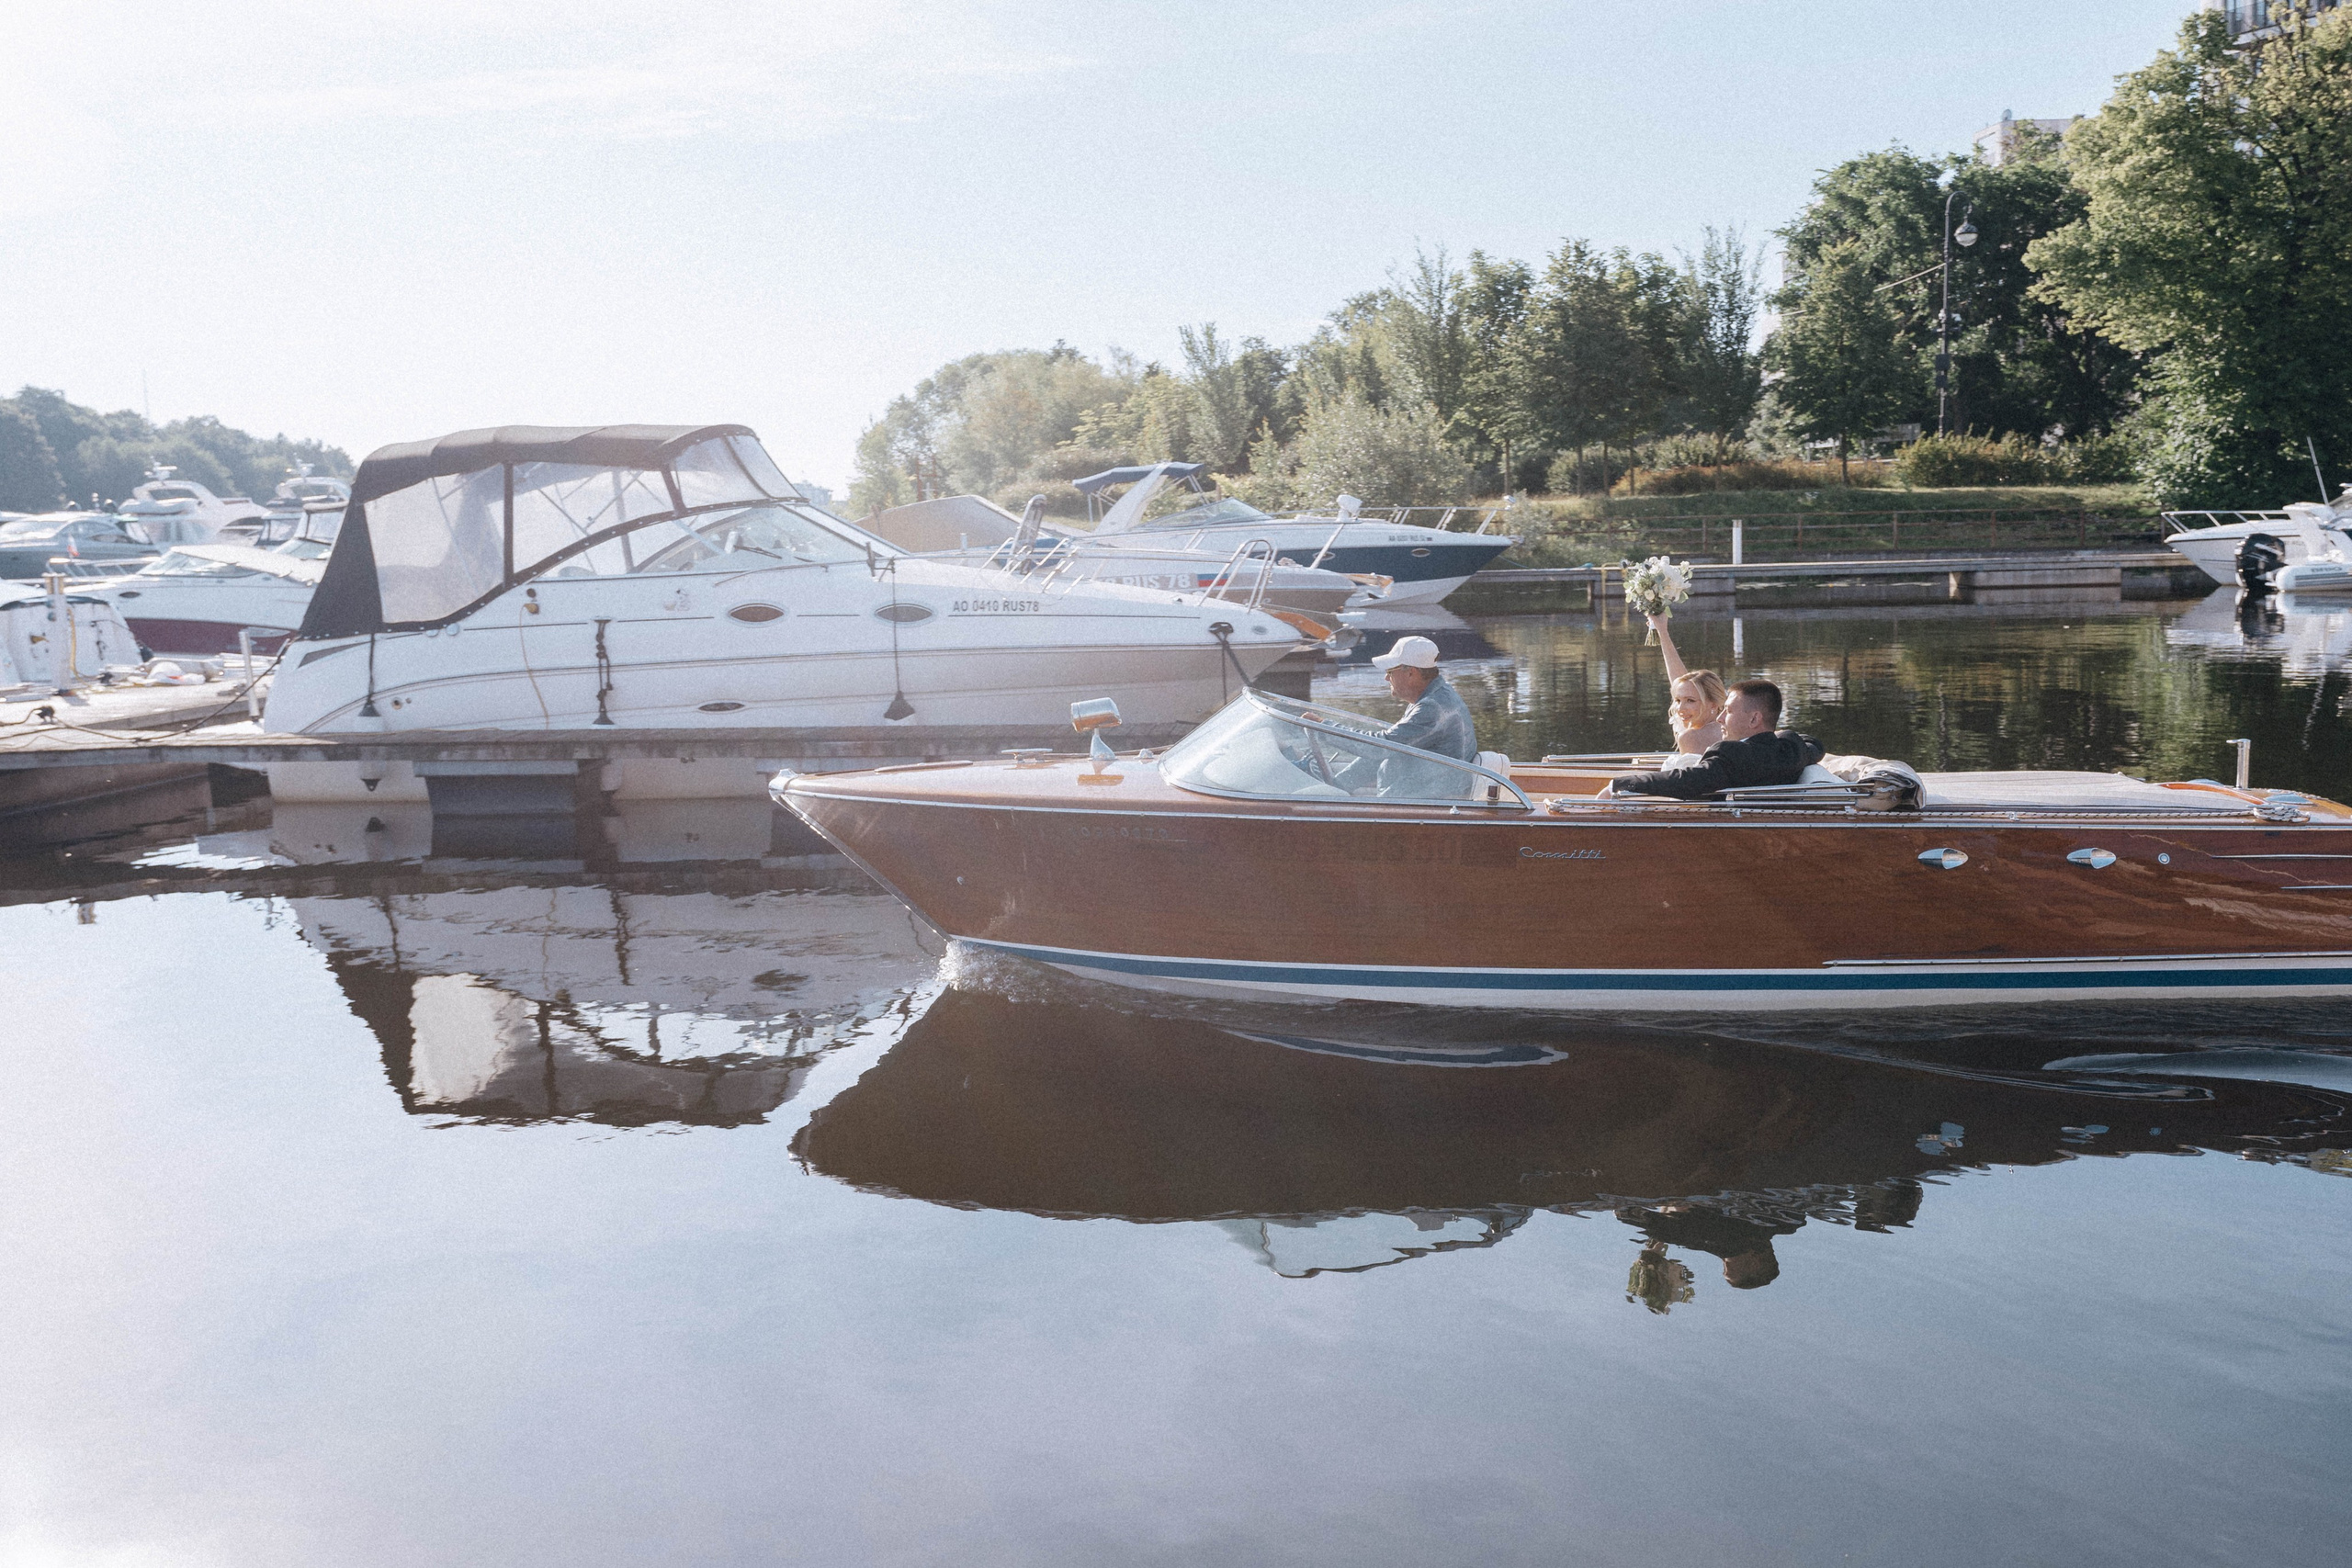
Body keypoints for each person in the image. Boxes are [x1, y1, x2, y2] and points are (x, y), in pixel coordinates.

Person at [1604, 678, 1822, 800]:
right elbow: (1814, 744)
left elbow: (1684, 780)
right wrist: (1775, 736)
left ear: (1755, 718)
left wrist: (1620, 784)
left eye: (1728, 711)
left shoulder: (1730, 756)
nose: (1720, 718)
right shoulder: (1791, 749)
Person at [1648, 614, 1725, 756]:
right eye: (1678, 701)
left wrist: (1662, 631)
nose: (1680, 709)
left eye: (1690, 701)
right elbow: (1678, 681)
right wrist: (1662, 631)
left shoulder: (1690, 737)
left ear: (1713, 704)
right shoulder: (1733, 728)